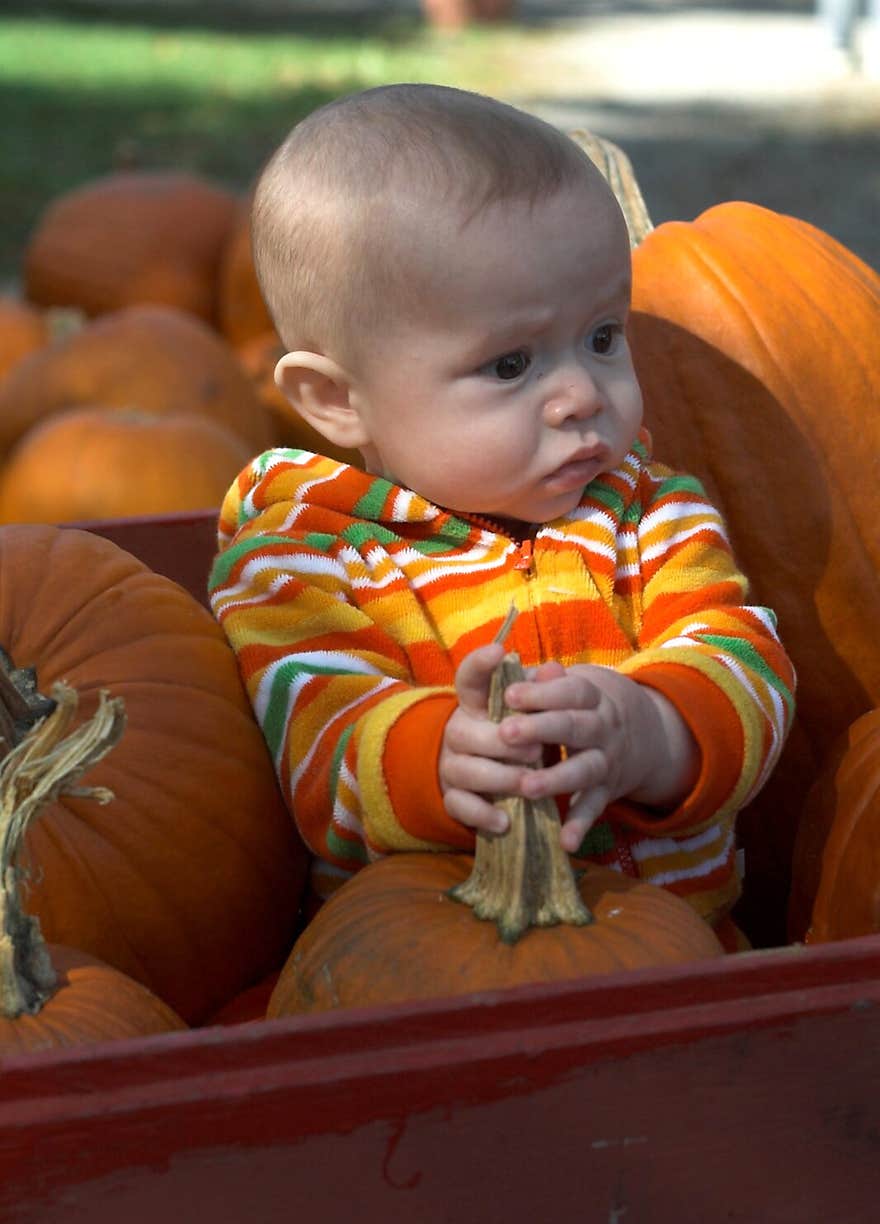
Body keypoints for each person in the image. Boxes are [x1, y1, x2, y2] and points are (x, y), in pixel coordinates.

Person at [209, 83, 795, 934]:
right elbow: (318, 749)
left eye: (602, 336)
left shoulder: (650, 512)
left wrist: (652, 727)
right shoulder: (305, 559)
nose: (580, 395)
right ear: (337, 401)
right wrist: (435, 758)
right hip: (437, 978)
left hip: (681, 965)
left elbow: (751, 665)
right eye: (512, 364)